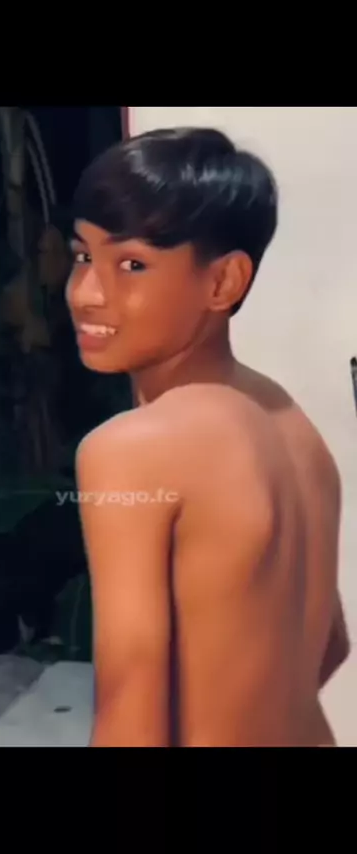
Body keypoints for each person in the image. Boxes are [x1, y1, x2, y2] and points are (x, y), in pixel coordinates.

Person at [65, 127, 350, 747]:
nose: (86, 294)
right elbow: (329, 641)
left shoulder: (133, 449)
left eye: (132, 265)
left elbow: (131, 710)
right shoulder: (294, 428)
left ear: (223, 282)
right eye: (83, 256)